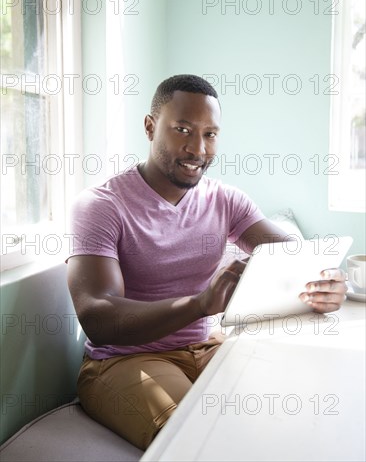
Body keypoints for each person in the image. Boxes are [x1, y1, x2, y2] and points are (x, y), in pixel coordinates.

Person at [67, 74, 347, 451]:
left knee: (293, 413)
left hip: (204, 348)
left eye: (210, 134)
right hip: (123, 361)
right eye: (182, 129)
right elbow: (98, 318)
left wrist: (327, 281)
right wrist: (199, 305)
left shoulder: (226, 200)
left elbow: (295, 256)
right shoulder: (101, 206)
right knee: (204, 437)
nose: (197, 148)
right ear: (150, 127)